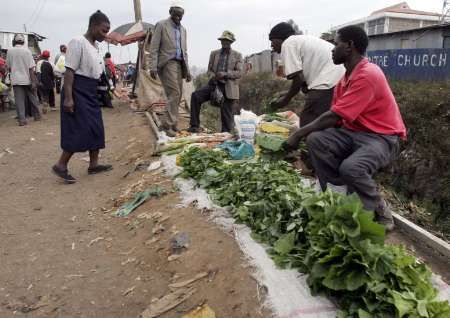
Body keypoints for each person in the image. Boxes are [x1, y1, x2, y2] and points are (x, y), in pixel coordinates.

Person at [283, 25, 407, 231]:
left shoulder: (368, 74)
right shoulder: (345, 79)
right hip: (354, 132)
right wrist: (310, 134)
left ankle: (379, 208)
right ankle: (341, 195)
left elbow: (333, 115)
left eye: (335, 44)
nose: (332, 49)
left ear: (349, 46)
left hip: (382, 137)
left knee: (352, 168)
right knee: (316, 140)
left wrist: (298, 134)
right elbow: (337, 119)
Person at [51, 10, 113, 184]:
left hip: (90, 91)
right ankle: (61, 165)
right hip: (77, 90)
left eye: (107, 31)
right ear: (93, 26)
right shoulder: (78, 42)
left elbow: (96, 72)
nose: (105, 35)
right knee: (79, 128)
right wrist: (68, 98)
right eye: (103, 30)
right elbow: (69, 71)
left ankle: (94, 165)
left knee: (96, 127)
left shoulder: (94, 46)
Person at [269, 22, 345, 127]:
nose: (271, 45)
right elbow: (303, 78)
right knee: (326, 121)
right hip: (339, 79)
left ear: (280, 38)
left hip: (328, 81)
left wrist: (286, 99)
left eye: (272, 41)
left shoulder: (288, 43)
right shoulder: (301, 41)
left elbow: (298, 78)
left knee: (307, 121)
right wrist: (287, 92)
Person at [148, 0, 192, 137]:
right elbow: (154, 47)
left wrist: (188, 71)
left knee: (177, 95)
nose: (178, 17)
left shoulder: (183, 30)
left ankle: (172, 124)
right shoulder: (161, 25)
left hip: (180, 64)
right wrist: (153, 66)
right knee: (174, 93)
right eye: (176, 14)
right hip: (167, 63)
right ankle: (167, 125)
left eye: (181, 15)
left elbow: (185, 52)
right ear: (170, 12)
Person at [188, 31, 243, 133]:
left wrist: (225, 74)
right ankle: (194, 126)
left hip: (228, 88)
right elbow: (209, 70)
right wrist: (214, 76)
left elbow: (239, 73)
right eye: (223, 40)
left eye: (227, 41)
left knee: (226, 117)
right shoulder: (214, 54)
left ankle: (225, 136)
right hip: (214, 85)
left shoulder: (237, 55)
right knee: (196, 96)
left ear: (231, 42)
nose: (224, 42)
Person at [6, 33, 41, 126]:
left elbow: (9, 67)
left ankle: (22, 120)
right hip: (28, 79)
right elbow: (31, 68)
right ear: (23, 42)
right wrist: (33, 81)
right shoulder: (27, 51)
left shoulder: (10, 51)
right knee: (33, 98)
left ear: (14, 41)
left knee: (19, 101)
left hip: (16, 79)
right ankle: (37, 115)